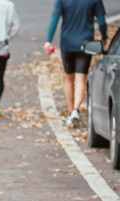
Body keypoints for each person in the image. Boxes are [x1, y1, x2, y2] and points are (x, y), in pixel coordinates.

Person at [44, 0, 108, 128]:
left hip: (67, 43)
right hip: (86, 43)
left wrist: (48, 41)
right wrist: (104, 36)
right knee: (81, 77)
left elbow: (54, 19)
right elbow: (101, 21)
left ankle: (70, 112)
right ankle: (76, 110)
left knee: (68, 77)